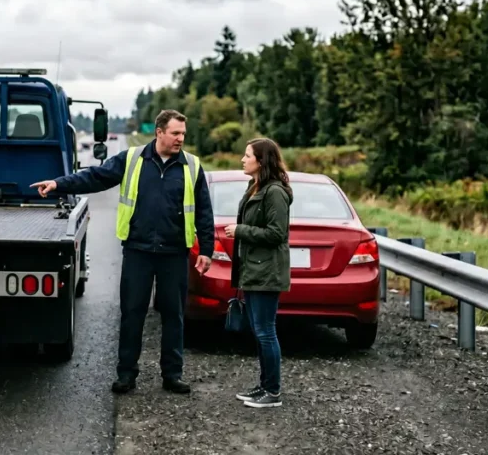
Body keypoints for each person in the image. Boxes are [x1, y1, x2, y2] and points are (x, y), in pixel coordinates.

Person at [30, 109, 215, 395]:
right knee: (132, 314)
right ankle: (126, 374)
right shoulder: (132, 159)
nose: (181, 138)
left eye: (183, 134)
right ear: (159, 132)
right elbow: (96, 177)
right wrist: (58, 184)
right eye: (175, 133)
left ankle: (172, 374)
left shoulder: (191, 166)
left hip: (174, 253)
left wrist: (207, 249)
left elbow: (204, 210)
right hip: (138, 251)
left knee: (174, 316)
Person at [225, 137, 293, 408]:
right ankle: (264, 385)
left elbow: (277, 233)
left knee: (265, 331)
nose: (242, 160)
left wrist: (240, 231)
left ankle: (272, 392)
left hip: (267, 272)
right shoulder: (255, 187)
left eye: (247, 155)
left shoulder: (274, 192)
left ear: (261, 161)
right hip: (253, 269)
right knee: (258, 329)